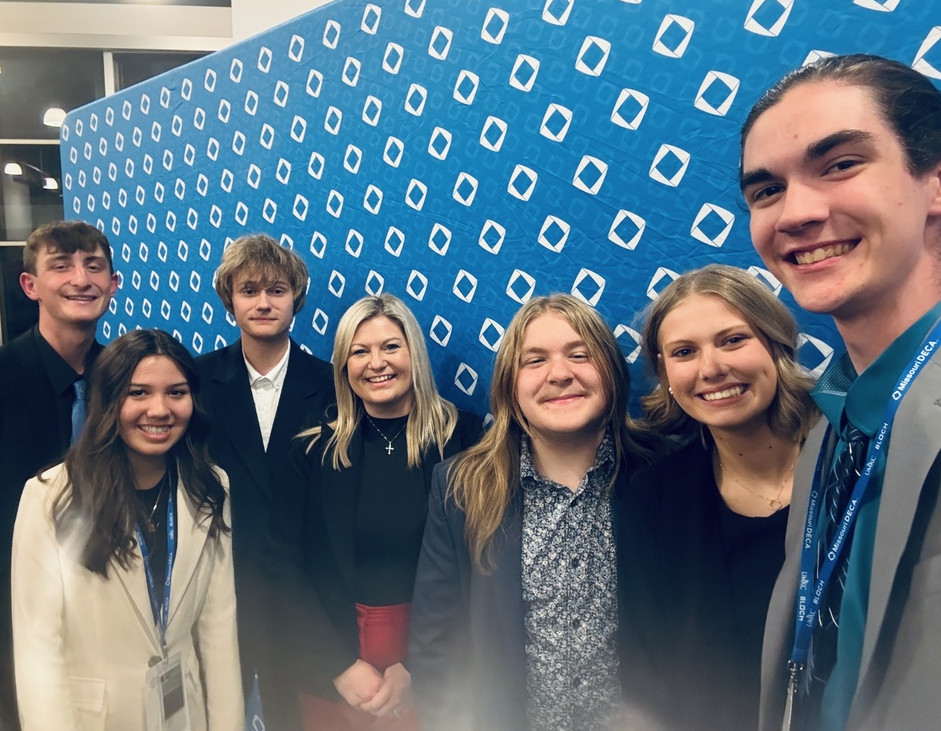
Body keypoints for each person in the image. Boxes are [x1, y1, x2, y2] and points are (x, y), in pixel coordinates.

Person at [740, 54, 941, 730]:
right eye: (766, 191)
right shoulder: (827, 425)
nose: (795, 213)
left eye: (840, 164)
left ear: (938, 183)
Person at [409, 293, 659, 731]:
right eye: (534, 361)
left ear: (613, 373)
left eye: (580, 355)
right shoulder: (460, 488)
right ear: (509, 384)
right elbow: (435, 642)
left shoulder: (667, 473)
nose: (559, 374)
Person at [0, 221, 117, 729]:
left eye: (94, 266)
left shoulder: (122, 381)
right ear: (30, 285)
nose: (81, 278)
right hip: (10, 624)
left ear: (113, 284)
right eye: (62, 265)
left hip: (107, 616)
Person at [265, 293, 482, 731]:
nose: (375, 362)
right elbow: (282, 566)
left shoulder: (465, 438)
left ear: (413, 353)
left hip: (437, 656)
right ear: (344, 366)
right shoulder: (312, 449)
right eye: (359, 351)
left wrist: (415, 664)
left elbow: (480, 566)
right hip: (336, 661)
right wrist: (339, 664)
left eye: (390, 347)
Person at [615, 264, 819, 731]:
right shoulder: (653, 497)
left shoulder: (856, 456)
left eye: (732, 340)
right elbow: (645, 664)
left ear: (775, 345)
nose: (711, 368)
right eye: (684, 352)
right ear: (665, 373)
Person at [11, 329, 243, 730]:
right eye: (137, 393)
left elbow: (218, 626)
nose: (159, 409)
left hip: (182, 714)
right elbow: (38, 648)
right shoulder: (51, 497)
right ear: (107, 401)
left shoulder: (210, 486)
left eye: (176, 392)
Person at [195, 233, 335, 731]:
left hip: (304, 593)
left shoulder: (335, 384)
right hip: (219, 585)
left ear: (295, 298)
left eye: (276, 290)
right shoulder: (195, 381)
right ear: (228, 300)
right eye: (249, 290)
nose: (263, 302)